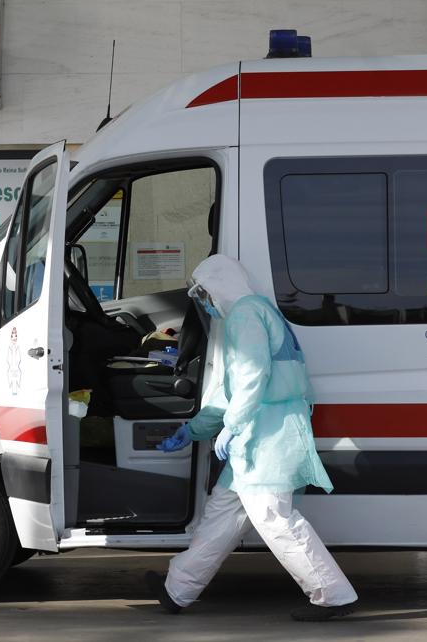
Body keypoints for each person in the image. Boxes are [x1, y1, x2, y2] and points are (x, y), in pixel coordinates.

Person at [145, 254, 358, 621]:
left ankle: (333, 594)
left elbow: (251, 377)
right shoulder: (254, 313)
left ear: (216, 288)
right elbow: (232, 389)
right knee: (223, 514)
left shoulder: (245, 315)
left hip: (266, 437)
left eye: (203, 293)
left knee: (273, 517)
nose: (203, 302)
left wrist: (233, 425)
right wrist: (195, 428)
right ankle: (178, 589)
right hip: (257, 438)